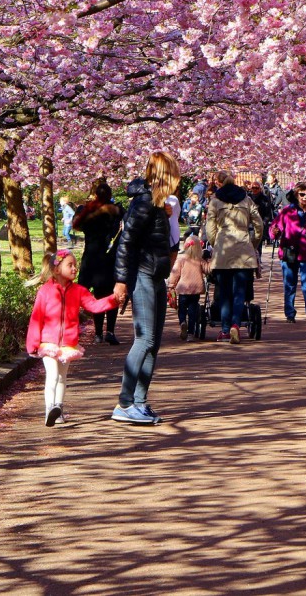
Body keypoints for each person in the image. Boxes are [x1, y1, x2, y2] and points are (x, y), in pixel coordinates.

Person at [111, 151, 181, 425]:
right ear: (166, 176)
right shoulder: (143, 204)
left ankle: (140, 401)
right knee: (145, 339)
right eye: (175, 175)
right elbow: (125, 243)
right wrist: (120, 281)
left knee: (154, 343)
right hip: (142, 275)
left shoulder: (160, 205)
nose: (178, 181)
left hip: (156, 275)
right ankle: (125, 402)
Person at [26, 249, 119, 426]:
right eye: (70, 265)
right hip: (48, 343)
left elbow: (94, 305)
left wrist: (113, 300)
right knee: (52, 376)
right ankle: (49, 410)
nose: (75, 268)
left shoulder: (79, 291)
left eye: (76, 265)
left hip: (68, 344)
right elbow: (36, 318)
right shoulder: (45, 291)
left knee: (62, 377)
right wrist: (33, 343)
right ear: (57, 269)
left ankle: (58, 410)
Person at [204, 170, 264, 343]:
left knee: (224, 293)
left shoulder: (215, 201)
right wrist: (253, 243)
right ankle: (236, 325)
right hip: (243, 247)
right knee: (240, 292)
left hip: (224, 248)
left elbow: (210, 229)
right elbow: (258, 224)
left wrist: (216, 242)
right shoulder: (247, 199)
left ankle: (224, 330)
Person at [73, 181, 123, 345]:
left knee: (94, 295)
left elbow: (76, 225)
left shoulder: (88, 210)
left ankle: (98, 333)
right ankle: (110, 331)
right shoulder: (117, 210)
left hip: (91, 257)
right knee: (109, 295)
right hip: (110, 257)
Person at [270, 182, 306, 323]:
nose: (305, 197)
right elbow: (274, 227)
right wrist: (274, 232)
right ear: (296, 195)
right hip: (289, 252)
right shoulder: (287, 211)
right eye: (302, 194)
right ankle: (290, 313)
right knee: (289, 284)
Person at [168, 235, 210, 341]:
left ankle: (182, 322)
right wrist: (209, 260)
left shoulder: (181, 260)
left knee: (181, 309)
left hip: (183, 289)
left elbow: (175, 274)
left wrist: (171, 286)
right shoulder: (200, 260)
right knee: (192, 312)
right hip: (195, 290)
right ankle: (190, 333)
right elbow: (208, 270)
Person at [249, 179, 276, 248]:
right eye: (253, 188)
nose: (254, 189)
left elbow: (268, 212)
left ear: (260, 189)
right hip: (249, 225)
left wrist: (264, 222)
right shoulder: (248, 198)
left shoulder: (265, 199)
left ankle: (258, 258)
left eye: (256, 188)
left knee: (258, 245)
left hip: (259, 223)